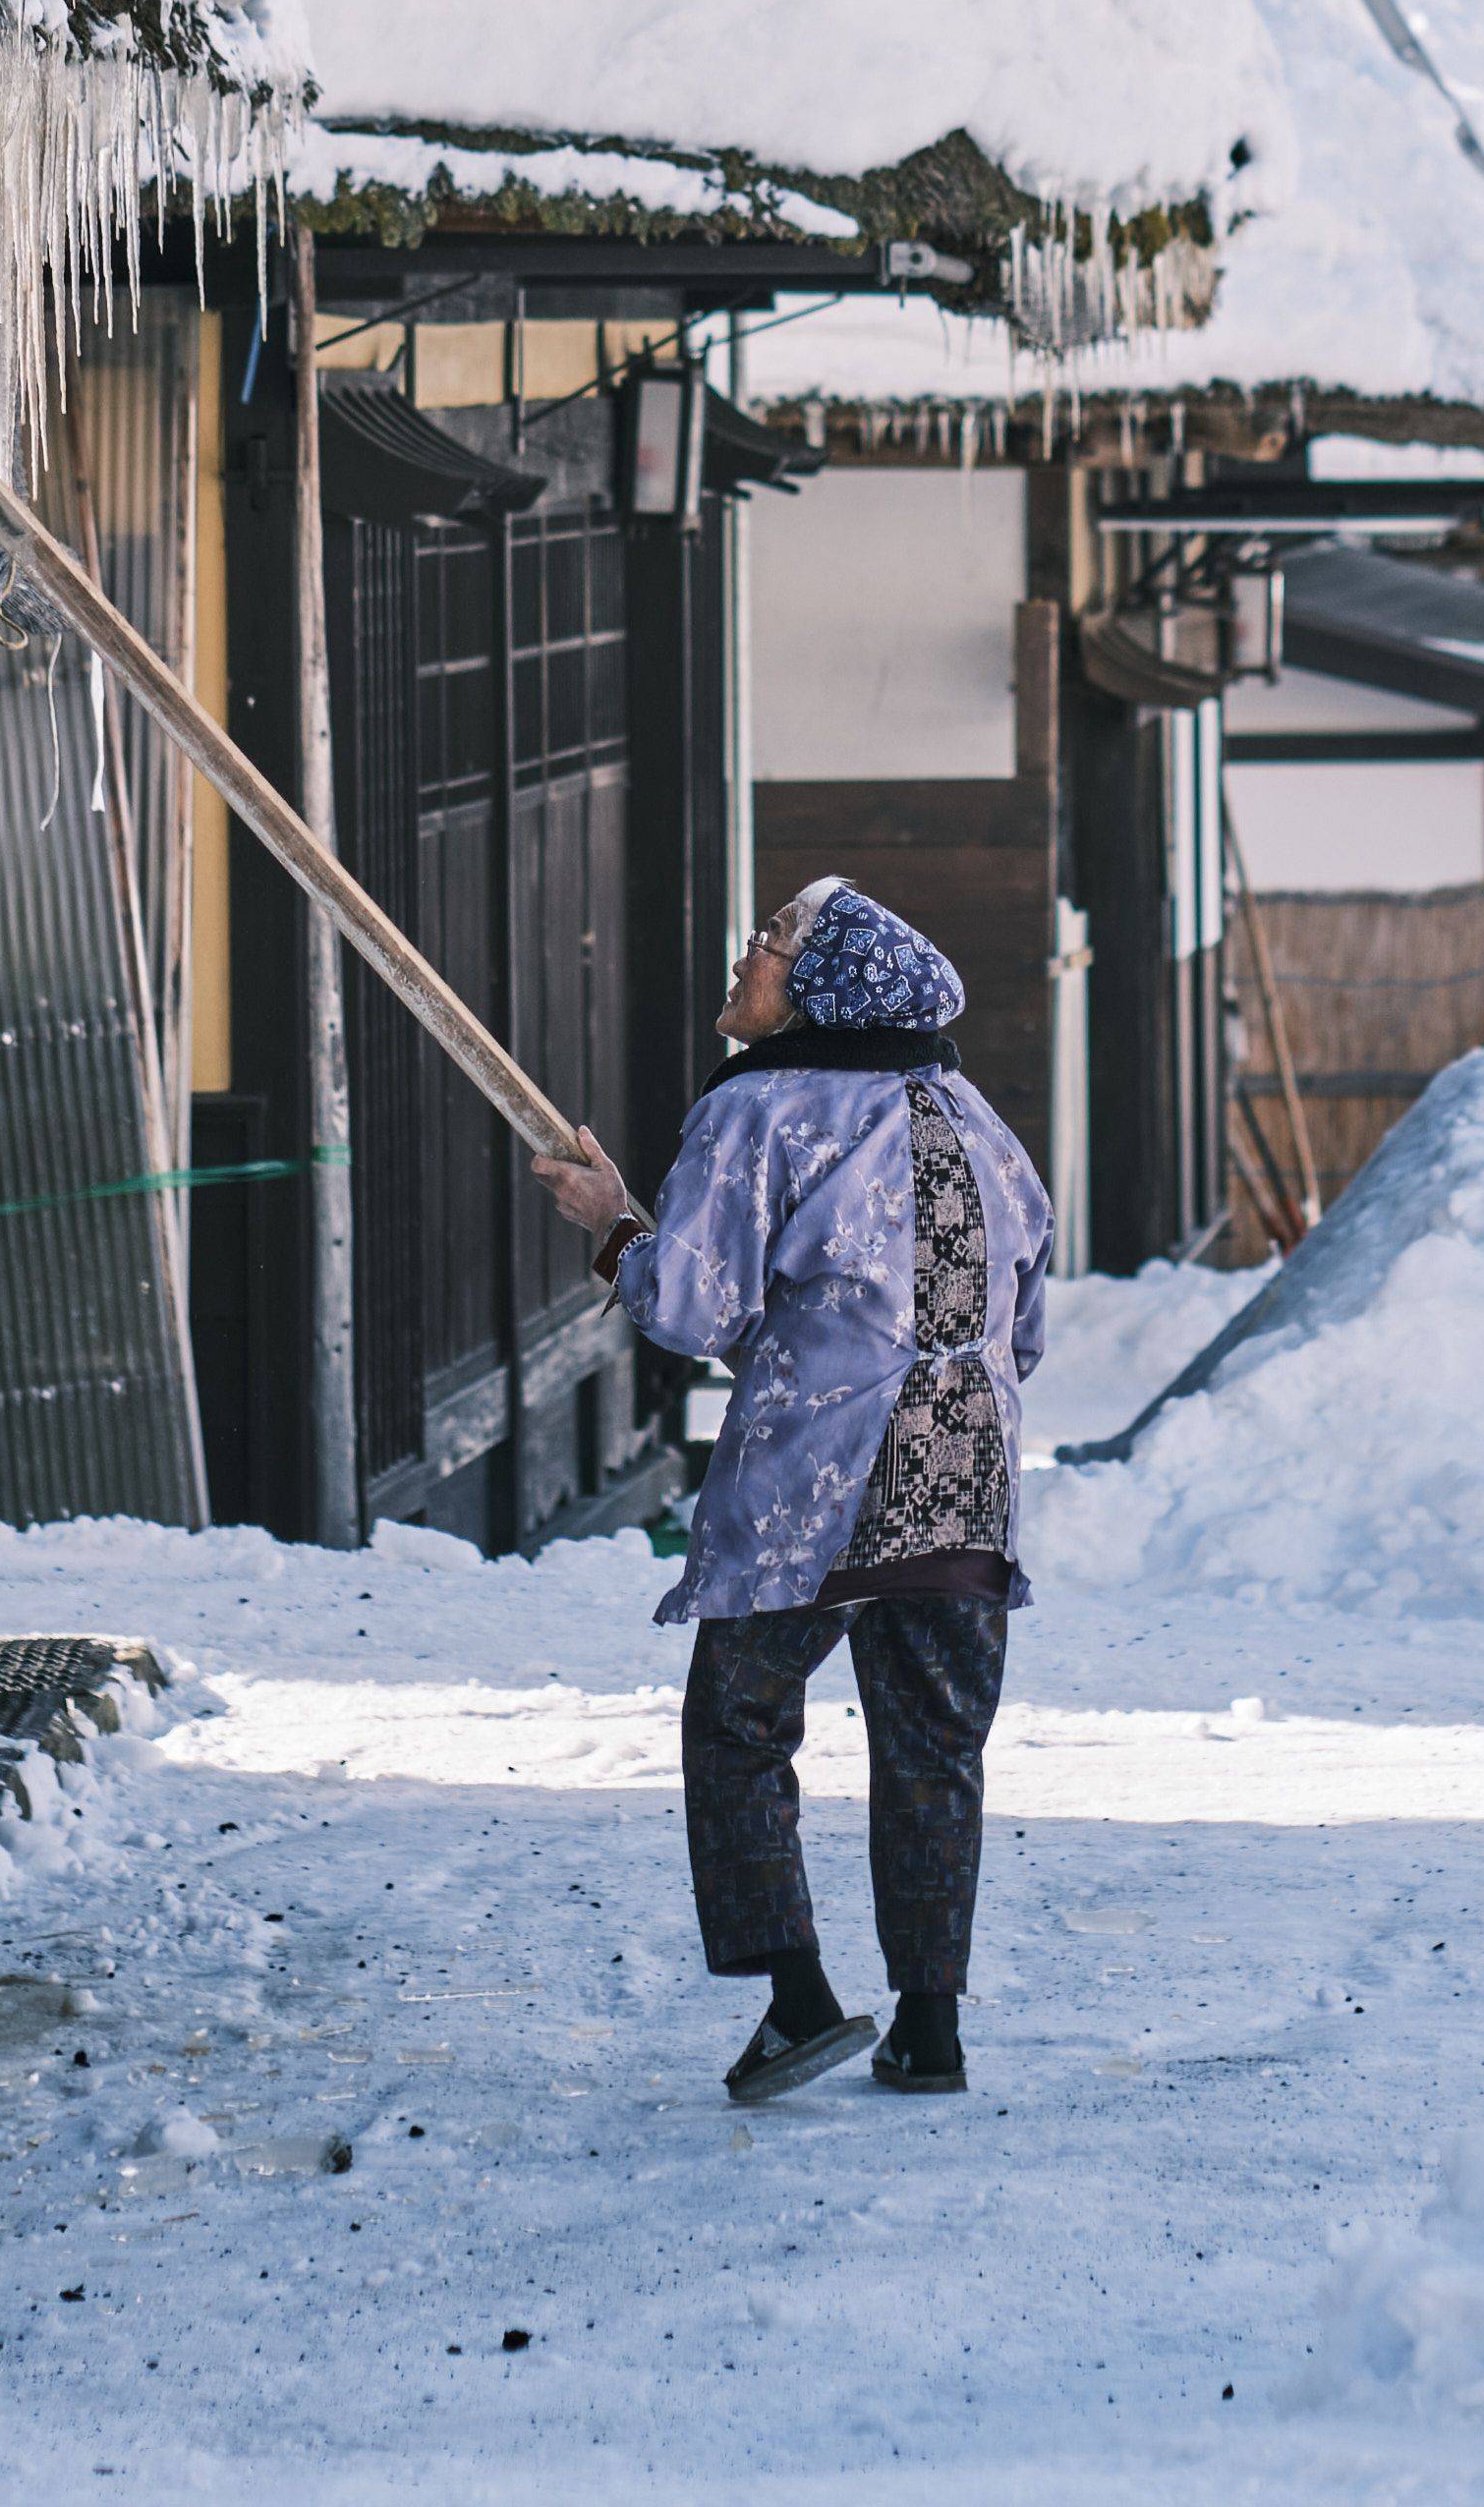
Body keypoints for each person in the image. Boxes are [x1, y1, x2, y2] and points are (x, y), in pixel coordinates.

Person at [525, 875, 1051, 2104]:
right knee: (935, 1742)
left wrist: (613, 1224)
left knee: (740, 1719)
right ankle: (930, 2027)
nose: (747, 955)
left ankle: (799, 1996)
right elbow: (1025, 1323)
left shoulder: (760, 1108)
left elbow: (696, 1305)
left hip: (821, 1473)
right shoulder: (977, 1116)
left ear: (822, 986)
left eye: (770, 941)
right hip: (966, 1465)